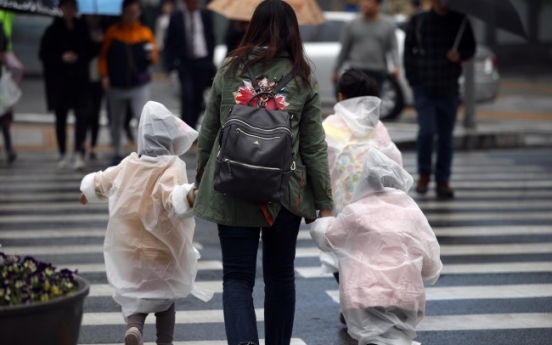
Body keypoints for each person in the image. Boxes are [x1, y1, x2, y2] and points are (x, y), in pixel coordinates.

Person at [193, 1, 334, 344]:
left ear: (252, 26)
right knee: (281, 277)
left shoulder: (230, 68)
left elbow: (209, 130)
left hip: (232, 186)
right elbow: (314, 144)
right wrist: (325, 202)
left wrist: (200, 180)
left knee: (237, 279)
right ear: (293, 30)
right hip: (284, 191)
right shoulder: (302, 74)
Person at [79, 101, 213, 345]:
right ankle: (165, 341)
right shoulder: (171, 167)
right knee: (165, 301)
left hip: (130, 251)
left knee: (135, 298)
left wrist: (87, 192)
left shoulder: (127, 165)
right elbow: (173, 198)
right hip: (163, 252)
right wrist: (191, 195)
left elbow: (101, 182)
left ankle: (134, 328)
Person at [310, 147, 443, 345]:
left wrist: (325, 217)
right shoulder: (412, 212)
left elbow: (328, 238)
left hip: (364, 296)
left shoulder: (356, 212)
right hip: (406, 295)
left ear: (364, 182)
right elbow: (431, 264)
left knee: (373, 339)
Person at [403, 0, 476, 199]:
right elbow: (408, 53)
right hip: (424, 87)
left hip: (448, 88)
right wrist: (413, 80)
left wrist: (459, 54)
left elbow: (471, 48)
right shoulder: (418, 21)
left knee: (446, 136)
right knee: (426, 132)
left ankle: (443, 179)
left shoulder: (459, 21)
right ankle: (424, 174)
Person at [99, 0, 158, 165]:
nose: (132, 16)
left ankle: (144, 152)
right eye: (128, 12)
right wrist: (104, 75)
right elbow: (103, 56)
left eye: (135, 12)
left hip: (138, 85)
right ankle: (117, 151)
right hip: (116, 85)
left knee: (142, 117)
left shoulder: (145, 33)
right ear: (123, 13)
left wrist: (150, 55)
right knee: (116, 120)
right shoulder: (113, 33)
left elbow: (154, 57)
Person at [39, 0, 93, 170]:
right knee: (61, 118)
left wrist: (82, 54)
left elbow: (89, 50)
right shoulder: (52, 30)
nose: (69, 10)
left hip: (79, 81)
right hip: (60, 82)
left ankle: (79, 152)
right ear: (61, 8)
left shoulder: (82, 28)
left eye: (72, 6)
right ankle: (62, 152)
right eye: (66, 6)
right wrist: (61, 58)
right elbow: (44, 54)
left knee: (82, 117)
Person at [164, 0, 215, 130]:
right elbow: (169, 43)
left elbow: (210, 37)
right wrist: (170, 66)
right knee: (188, 96)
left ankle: (192, 129)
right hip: (185, 62)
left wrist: (210, 60)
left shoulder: (205, 16)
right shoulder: (176, 17)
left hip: (202, 62)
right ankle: (185, 129)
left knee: (198, 98)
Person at [332, 0, 400, 93]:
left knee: (373, 103)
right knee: (355, 103)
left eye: (369, 2)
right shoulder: (351, 24)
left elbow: (393, 48)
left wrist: (396, 66)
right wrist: (336, 70)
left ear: (377, 4)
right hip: (356, 71)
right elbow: (344, 49)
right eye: (363, 1)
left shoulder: (388, 26)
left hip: (377, 72)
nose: (365, 4)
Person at [83, 14, 105, 160]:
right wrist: (96, 43)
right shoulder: (81, 31)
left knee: (96, 112)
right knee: (85, 112)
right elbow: (87, 53)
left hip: (98, 77)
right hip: (83, 78)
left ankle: (93, 145)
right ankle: (82, 144)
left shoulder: (102, 31)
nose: (93, 19)